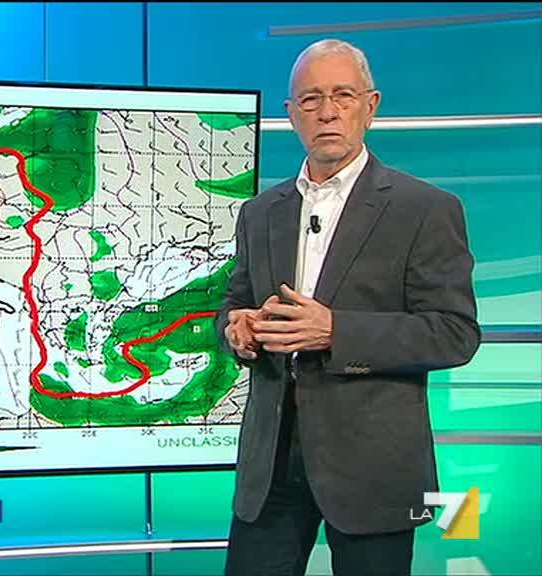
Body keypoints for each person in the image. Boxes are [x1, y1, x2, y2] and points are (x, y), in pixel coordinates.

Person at [216, 38, 481, 576]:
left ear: (370, 105)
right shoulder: (260, 213)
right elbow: (235, 301)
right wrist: (236, 328)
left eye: (342, 95)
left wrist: (336, 331)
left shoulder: (424, 209)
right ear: (292, 113)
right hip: (271, 465)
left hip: (372, 468)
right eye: (311, 99)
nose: (327, 111)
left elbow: (454, 333)